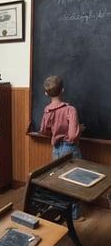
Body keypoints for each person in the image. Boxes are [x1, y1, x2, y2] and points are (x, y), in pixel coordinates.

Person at [39, 75, 84, 220]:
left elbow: (44, 131)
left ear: (46, 93)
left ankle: (59, 211)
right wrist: (80, 129)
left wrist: (55, 133)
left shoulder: (47, 110)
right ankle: (74, 215)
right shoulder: (70, 109)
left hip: (56, 149)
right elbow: (72, 136)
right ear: (62, 90)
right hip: (69, 149)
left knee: (58, 181)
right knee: (74, 182)